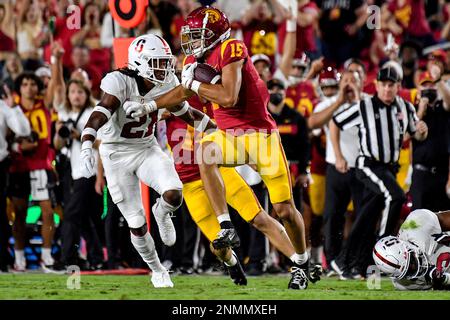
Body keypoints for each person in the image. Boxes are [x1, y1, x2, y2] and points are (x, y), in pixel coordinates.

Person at [127, 5, 318, 290]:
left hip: (259, 136)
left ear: (215, 34)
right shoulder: (194, 60)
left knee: (284, 210)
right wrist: (150, 105)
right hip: (225, 139)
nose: (191, 41)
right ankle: (226, 226)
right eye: (190, 34)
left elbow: (228, 97)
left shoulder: (232, 48)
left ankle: (302, 260)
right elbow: (181, 93)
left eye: (197, 34)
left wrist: (194, 84)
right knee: (206, 153)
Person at [80, 34, 215, 288]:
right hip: (116, 155)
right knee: (136, 223)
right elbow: (101, 111)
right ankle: (157, 268)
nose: (163, 68)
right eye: (156, 62)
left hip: (146, 147)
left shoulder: (166, 82)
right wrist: (87, 141)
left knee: (174, 194)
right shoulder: (118, 80)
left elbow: (185, 113)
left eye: (165, 62)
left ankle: (161, 212)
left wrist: (216, 129)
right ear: (139, 62)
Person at [331, 66, 428, 278]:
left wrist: (422, 130)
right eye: (383, 85)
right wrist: (338, 155)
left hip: (389, 168)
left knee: (367, 215)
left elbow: (415, 134)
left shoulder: (405, 107)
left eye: (391, 85)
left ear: (398, 86)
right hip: (369, 165)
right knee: (396, 196)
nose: (387, 89)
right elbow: (336, 122)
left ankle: (350, 263)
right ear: (376, 85)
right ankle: (382, 247)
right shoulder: (364, 105)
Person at [373, 208, 450, 290]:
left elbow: (446, 218)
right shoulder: (403, 285)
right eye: (408, 272)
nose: (415, 268)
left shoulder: (417, 225)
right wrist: (443, 280)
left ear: (406, 246)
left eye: (412, 261)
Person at [0, 85, 31, 272]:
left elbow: (23, 130)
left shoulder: (3, 105)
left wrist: (13, 107)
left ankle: (2, 260)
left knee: (0, 214)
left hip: (0, 164)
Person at [410, 68, 450, 211]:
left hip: (442, 174)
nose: (428, 88)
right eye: (425, 85)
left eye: (431, 85)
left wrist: (438, 80)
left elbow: (449, 101)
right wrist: (421, 109)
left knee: (442, 219)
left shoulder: (442, 107)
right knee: (419, 219)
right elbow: (408, 134)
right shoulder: (413, 110)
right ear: (419, 88)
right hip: (422, 174)